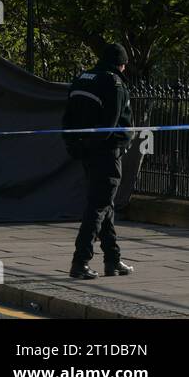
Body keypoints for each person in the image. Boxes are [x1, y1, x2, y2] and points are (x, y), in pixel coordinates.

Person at [65, 42, 134, 280]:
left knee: (106, 205)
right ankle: (80, 261)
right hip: (106, 152)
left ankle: (112, 260)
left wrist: (77, 146)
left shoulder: (83, 78)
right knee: (98, 206)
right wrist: (100, 146)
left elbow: (68, 117)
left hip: (86, 151)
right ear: (121, 64)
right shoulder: (113, 83)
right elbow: (110, 122)